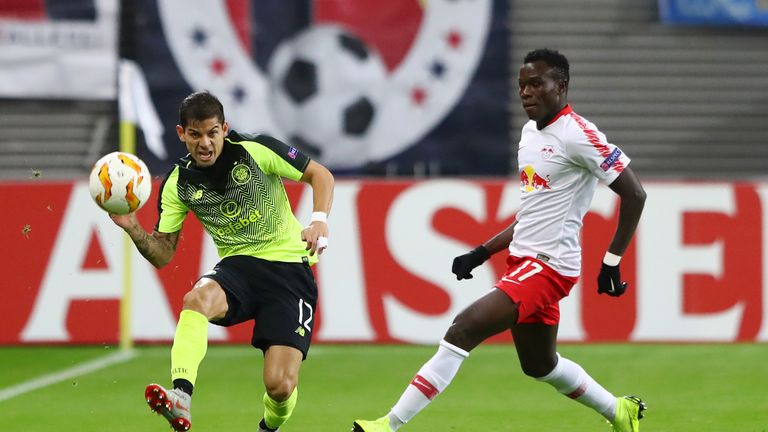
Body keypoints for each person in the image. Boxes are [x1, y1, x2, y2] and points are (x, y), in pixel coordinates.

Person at [352, 48, 647, 432]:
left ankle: (387, 425)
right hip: (524, 260)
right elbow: (532, 213)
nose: (526, 93)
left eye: (536, 84)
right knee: (540, 365)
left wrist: (611, 260)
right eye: (522, 85)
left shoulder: (579, 135)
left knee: (463, 328)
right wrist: (481, 252)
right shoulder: (529, 134)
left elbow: (635, 194)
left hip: (549, 266)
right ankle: (619, 412)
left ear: (562, 85)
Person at [110, 91, 334, 432]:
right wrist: (132, 227)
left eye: (212, 132)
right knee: (196, 299)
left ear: (225, 129)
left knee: (280, 385)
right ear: (181, 134)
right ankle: (181, 397)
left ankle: (269, 427)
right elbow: (162, 254)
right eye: (196, 134)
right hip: (238, 267)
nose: (205, 143)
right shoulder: (177, 183)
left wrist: (319, 219)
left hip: (289, 270)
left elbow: (320, 175)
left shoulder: (255, 150)